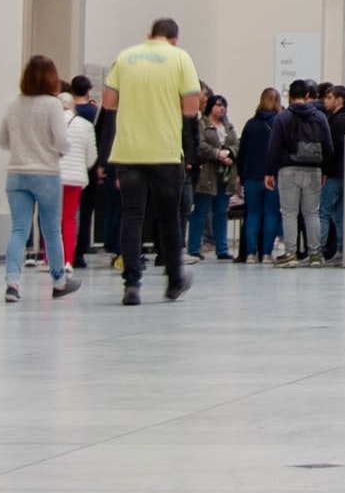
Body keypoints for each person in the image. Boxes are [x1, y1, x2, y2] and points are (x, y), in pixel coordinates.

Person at [100, 17, 204, 306]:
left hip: (128, 150)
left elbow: (108, 102)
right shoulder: (181, 58)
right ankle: (174, 280)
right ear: (174, 39)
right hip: (165, 151)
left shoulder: (125, 56)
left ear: (149, 35)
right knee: (169, 218)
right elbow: (191, 108)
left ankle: (131, 284)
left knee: (131, 215)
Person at [0, 55, 77, 303]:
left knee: (19, 229)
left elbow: (3, 140)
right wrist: (60, 150)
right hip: (46, 173)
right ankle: (59, 281)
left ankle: (12, 283)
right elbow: (62, 141)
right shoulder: (53, 105)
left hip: (17, 173)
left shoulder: (14, 103)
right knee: (52, 229)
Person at [268, 78, 334, 268]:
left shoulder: (282, 118)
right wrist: (325, 170)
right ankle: (315, 254)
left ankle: (291, 253)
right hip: (314, 169)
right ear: (307, 96)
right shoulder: (320, 117)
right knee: (312, 213)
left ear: (289, 96)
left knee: (289, 213)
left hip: (288, 169)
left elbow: (274, 146)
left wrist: (269, 172)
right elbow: (328, 146)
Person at [187, 94, 239, 260]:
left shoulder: (228, 126)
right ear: (210, 107)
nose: (221, 108)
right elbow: (201, 145)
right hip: (207, 172)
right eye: (218, 105)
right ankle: (194, 247)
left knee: (221, 211)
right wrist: (217, 154)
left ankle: (222, 248)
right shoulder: (201, 125)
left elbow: (236, 144)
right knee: (201, 210)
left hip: (225, 173)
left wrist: (230, 153)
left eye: (224, 106)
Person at [236, 87, 282, 262]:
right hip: (273, 176)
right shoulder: (280, 122)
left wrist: (241, 173)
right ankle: (266, 253)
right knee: (271, 214)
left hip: (251, 176)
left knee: (252, 214)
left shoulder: (250, 124)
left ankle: (249, 254)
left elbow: (243, 151)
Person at [319, 83, 345, 264]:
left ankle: (317, 250)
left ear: (339, 100)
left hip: (334, 173)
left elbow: (332, 149)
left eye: (329, 98)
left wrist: (325, 170)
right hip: (343, 173)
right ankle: (341, 249)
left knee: (324, 211)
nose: (325, 101)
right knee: (338, 213)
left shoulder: (338, 122)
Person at [68, 74, 103, 267]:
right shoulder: (94, 111)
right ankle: (81, 251)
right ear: (89, 90)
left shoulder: (68, 111)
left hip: (68, 164)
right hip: (87, 165)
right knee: (87, 211)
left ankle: (67, 251)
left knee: (68, 213)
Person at [59, 89, 97, 267]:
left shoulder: (52, 123)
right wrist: (83, 167)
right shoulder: (86, 125)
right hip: (75, 178)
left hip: (53, 177)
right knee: (69, 218)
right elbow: (92, 157)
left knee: (51, 219)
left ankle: (49, 258)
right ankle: (68, 259)